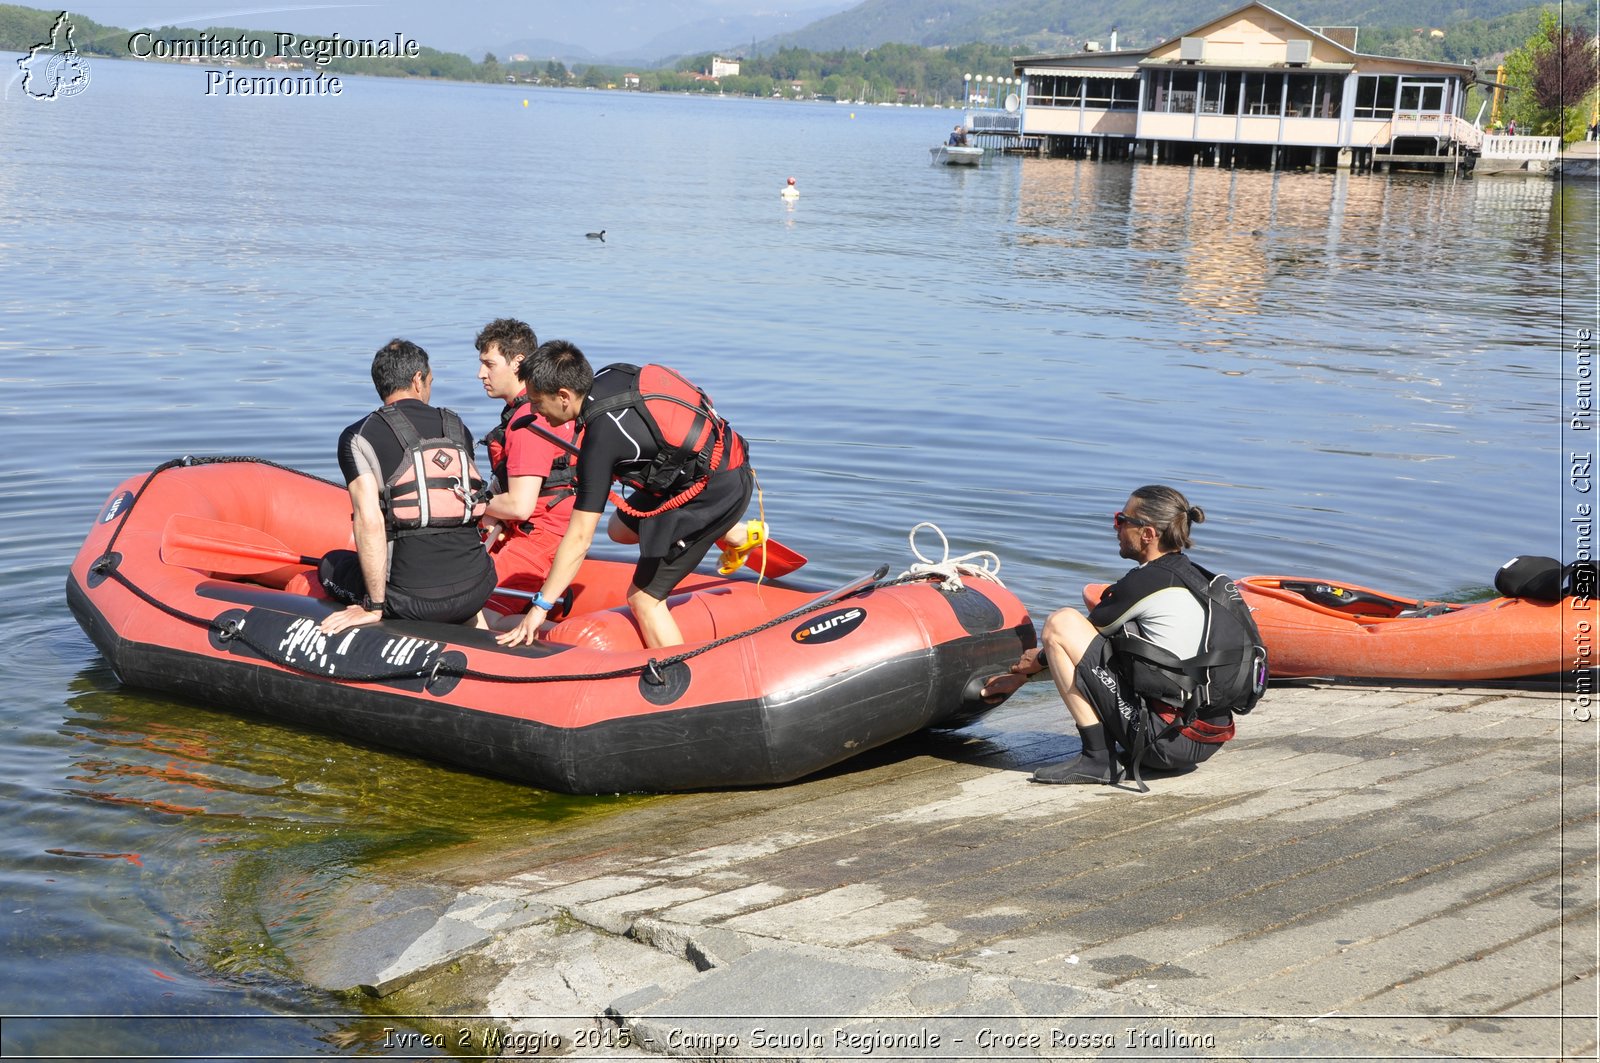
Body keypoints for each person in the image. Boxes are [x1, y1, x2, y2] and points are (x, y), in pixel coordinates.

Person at [496, 341, 758, 650]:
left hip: (713, 491)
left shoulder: (601, 440)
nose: (536, 412)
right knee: (619, 529)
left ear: (564, 396)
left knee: (643, 599)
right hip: (714, 460)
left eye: (538, 403)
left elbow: (580, 537)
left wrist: (540, 607)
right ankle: (736, 534)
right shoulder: (612, 374)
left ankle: (682, 679)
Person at [982, 485, 1239, 786]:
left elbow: (1069, 642)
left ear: (1147, 534)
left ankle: (1097, 758)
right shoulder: (1197, 576)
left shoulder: (1146, 582)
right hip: (1206, 736)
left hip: (1165, 742)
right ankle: (1106, 753)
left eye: (1121, 519)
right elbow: (1098, 653)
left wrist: (1023, 673)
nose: (1115, 527)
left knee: (1060, 622)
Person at [318, 339, 497, 636]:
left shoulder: (357, 436)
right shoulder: (457, 427)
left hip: (411, 601)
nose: (429, 388)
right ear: (417, 380)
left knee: (329, 565)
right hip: (478, 588)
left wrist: (374, 606)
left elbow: (369, 520)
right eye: (429, 381)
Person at [473, 318, 578, 620]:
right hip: (549, 532)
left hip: (538, 538)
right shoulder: (548, 409)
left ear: (518, 362)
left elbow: (520, 505)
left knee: (479, 616)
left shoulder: (528, 422)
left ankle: (558, 648)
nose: (481, 374)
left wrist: (472, 506)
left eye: (489, 364)